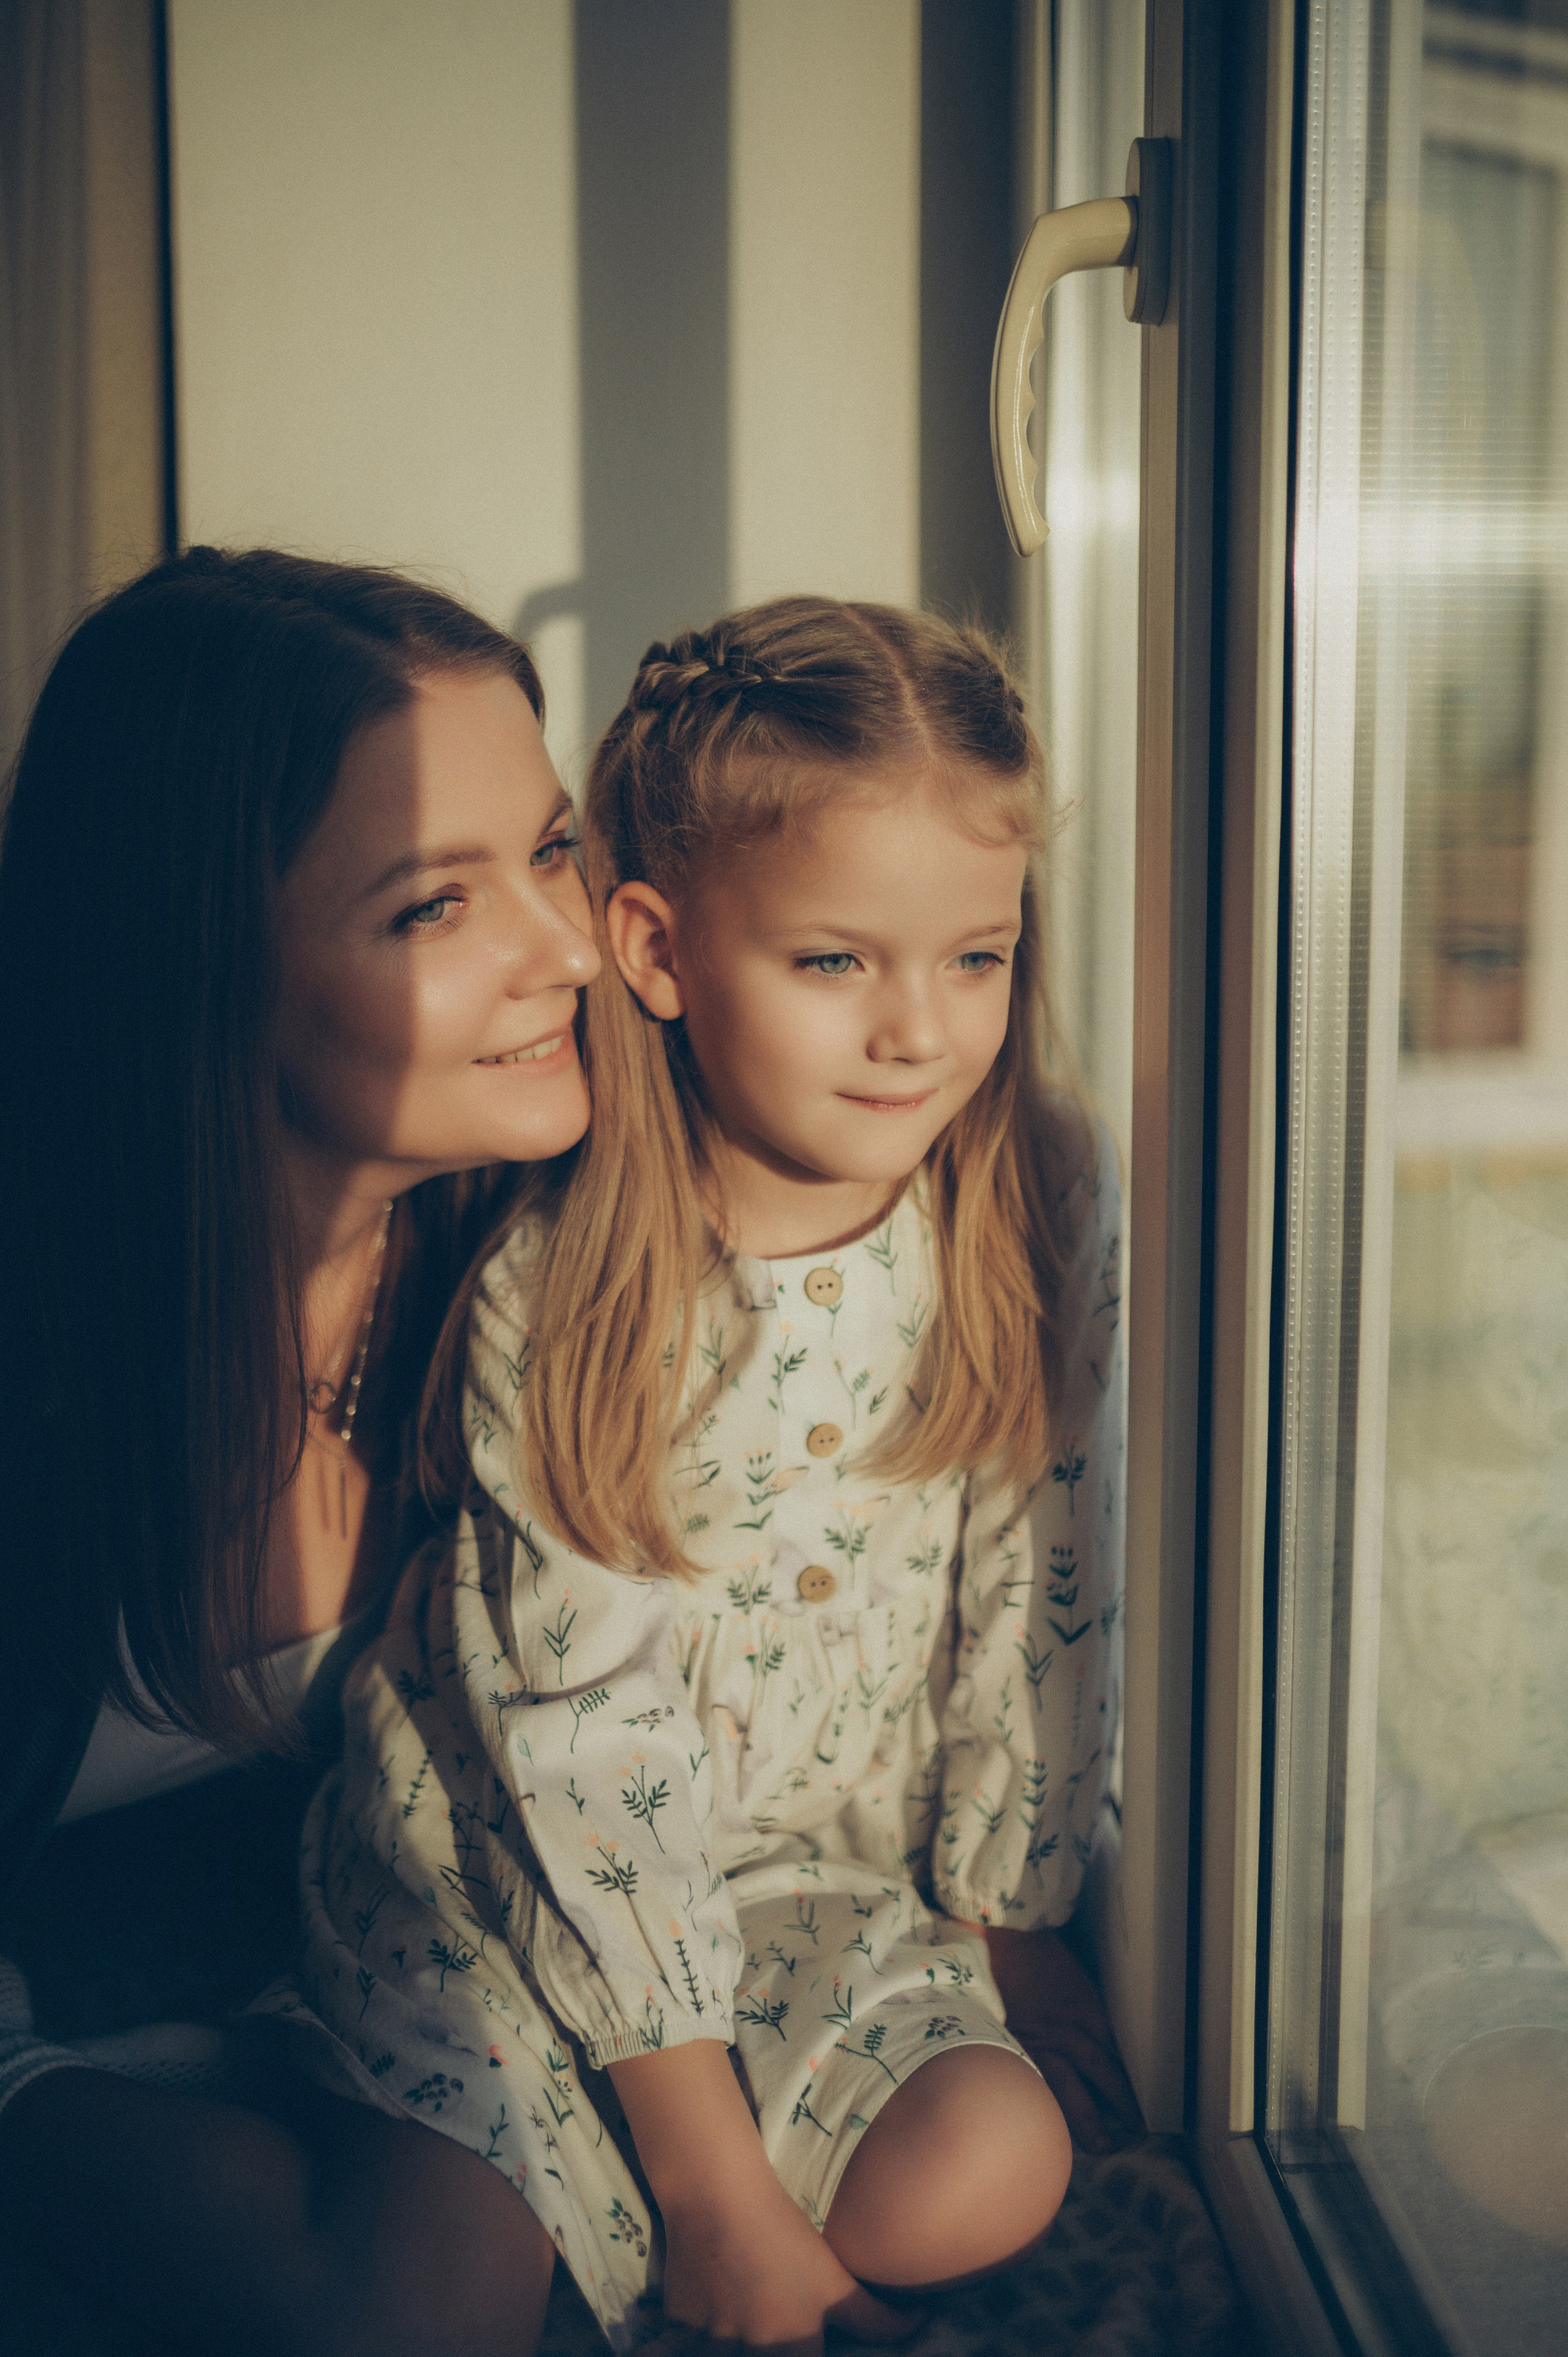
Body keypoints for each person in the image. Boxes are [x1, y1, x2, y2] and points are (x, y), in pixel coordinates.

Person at [285, 595, 1140, 2355]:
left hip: (832, 1882)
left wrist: (1010, 1918)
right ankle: (63, 2089)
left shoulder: (1029, 1208)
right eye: (836, 963)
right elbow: (579, 1752)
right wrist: (718, 2194)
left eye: (973, 956)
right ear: (660, 956)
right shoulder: (581, 1290)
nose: (918, 1030)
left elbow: (1039, 1592)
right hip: (530, 1866)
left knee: (995, 2163)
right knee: (453, 2301)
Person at [0, 546, 594, 2355]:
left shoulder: (528, 1285)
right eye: (435, 907)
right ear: (201, 961)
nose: (568, 948)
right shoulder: (44, 1341)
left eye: (553, 851)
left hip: (331, 1976)